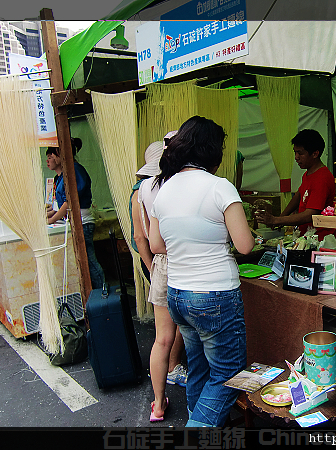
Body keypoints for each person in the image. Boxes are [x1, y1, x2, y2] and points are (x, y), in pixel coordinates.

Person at [149, 116, 254, 427]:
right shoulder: (220, 187)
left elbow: (156, 243)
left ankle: (201, 422)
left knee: (199, 367)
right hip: (215, 294)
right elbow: (245, 245)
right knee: (229, 373)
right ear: (212, 150)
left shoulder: (165, 188)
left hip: (178, 295)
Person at [129, 137, 187, 422]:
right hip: (187, 261)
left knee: (162, 339)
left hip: (162, 264)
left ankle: (158, 404)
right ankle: (201, 401)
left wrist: (153, 268)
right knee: (195, 335)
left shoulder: (143, 190)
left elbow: (144, 237)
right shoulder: (179, 185)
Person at [254, 129, 336, 240]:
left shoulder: (322, 178)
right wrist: (280, 218)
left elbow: (310, 214)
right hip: (308, 236)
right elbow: (298, 196)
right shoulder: (308, 174)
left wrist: (276, 220)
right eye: (295, 152)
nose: (296, 157)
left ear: (315, 154)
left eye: (300, 153)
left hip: (321, 239)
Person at [46, 138, 105, 290]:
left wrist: (51, 219)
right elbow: (59, 204)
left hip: (82, 221)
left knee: (89, 261)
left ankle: (102, 293)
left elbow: (69, 202)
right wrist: (49, 215)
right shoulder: (60, 177)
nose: (48, 159)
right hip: (73, 221)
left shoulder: (75, 170)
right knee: (83, 262)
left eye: (51, 155)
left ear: (60, 155)